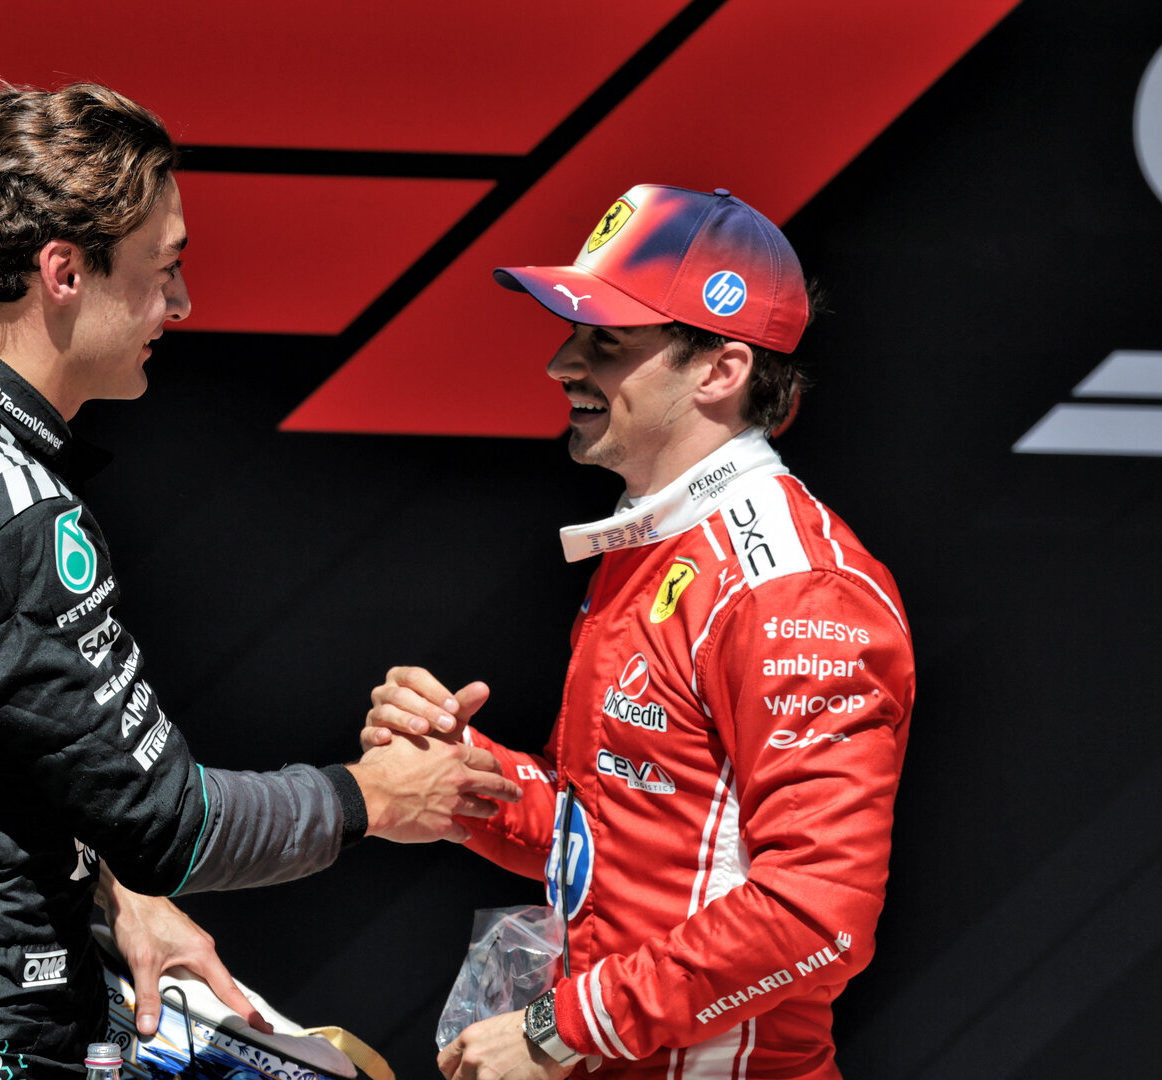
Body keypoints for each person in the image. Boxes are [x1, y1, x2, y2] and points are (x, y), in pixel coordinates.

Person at [0, 80, 520, 1080]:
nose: (181, 304)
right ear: (63, 271)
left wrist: (106, 892)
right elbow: (175, 825)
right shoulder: (15, 513)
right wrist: (376, 797)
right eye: (164, 270)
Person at [365, 185, 916, 1080]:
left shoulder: (795, 590)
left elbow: (819, 915)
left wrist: (560, 1030)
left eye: (606, 343)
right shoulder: (655, 546)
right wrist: (468, 778)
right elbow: (631, 837)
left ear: (720, 370)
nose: (561, 365)